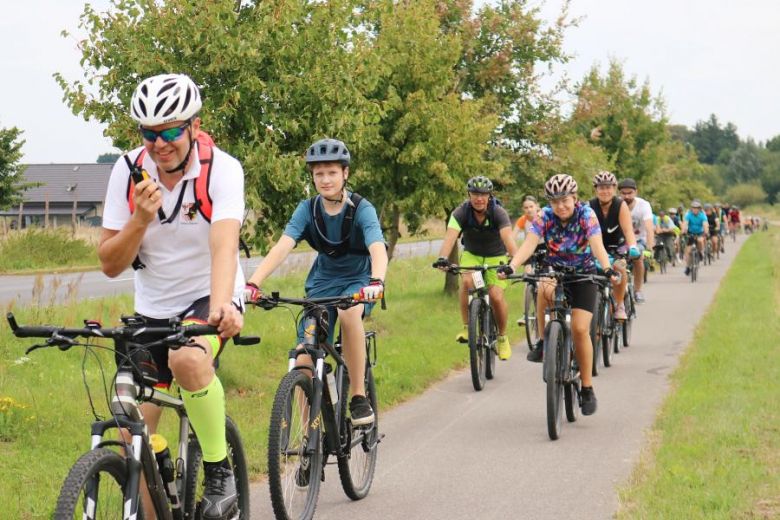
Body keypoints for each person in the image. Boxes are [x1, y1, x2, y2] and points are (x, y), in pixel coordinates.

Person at [100, 73, 245, 518]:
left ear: (194, 127)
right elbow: (109, 263)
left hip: (209, 294)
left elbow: (224, 245)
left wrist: (221, 306)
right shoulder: (126, 172)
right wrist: (139, 220)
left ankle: (220, 473)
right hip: (153, 307)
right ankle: (158, 469)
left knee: (188, 361)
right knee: (130, 426)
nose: (160, 144)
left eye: (170, 131)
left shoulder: (223, 168)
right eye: (149, 133)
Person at [244, 138, 388, 427]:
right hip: (322, 284)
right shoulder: (307, 209)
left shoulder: (361, 208)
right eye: (318, 174)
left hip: (359, 280)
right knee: (304, 356)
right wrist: (253, 283)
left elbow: (378, 248)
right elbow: (283, 245)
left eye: (332, 172)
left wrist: (377, 281)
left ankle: (358, 396)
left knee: (349, 313)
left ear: (345, 173)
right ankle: (311, 435)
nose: (325, 180)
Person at [497, 174, 617, 416]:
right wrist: (512, 266)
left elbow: (597, 245)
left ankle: (586, 387)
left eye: (565, 200)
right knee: (542, 286)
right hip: (555, 270)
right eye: (554, 202)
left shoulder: (587, 215)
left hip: (583, 275)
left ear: (574, 198)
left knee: (581, 330)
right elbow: (529, 245)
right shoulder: (544, 216)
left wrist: (606, 268)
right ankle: (544, 341)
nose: (560, 206)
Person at [434, 176, 518, 360]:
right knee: (467, 281)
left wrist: (515, 262)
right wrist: (442, 258)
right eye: (475, 194)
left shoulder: (499, 213)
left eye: (483, 195)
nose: (479, 198)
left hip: (496, 256)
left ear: (489, 196)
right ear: (469, 195)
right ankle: (467, 327)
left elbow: (509, 239)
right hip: (472, 255)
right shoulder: (461, 212)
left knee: (496, 296)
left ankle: (502, 337)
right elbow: (450, 237)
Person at [588, 171, 640, 322]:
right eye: (601, 188)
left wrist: (633, 246)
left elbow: (628, 230)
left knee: (620, 267)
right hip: (596, 247)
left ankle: (619, 304)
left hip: (618, 246)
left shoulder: (620, 205)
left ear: (614, 188)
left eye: (608, 187)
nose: (605, 191)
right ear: (596, 189)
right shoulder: (589, 206)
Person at [617, 178, 654, 303]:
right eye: (623, 193)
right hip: (622, 241)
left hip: (639, 240)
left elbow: (649, 228)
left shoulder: (644, 205)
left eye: (630, 193)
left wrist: (650, 248)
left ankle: (638, 290)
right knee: (617, 262)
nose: (626, 196)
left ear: (636, 192)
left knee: (638, 258)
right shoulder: (616, 204)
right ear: (619, 194)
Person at [682, 200, 709, 276]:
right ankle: (687, 267)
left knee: (700, 241)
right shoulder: (688, 215)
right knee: (688, 250)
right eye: (693, 208)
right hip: (691, 233)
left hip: (700, 232)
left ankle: (700, 252)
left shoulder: (702, 215)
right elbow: (685, 223)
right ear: (691, 208)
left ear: (699, 209)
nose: (695, 209)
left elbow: (705, 224)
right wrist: (683, 230)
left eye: (697, 208)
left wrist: (706, 232)